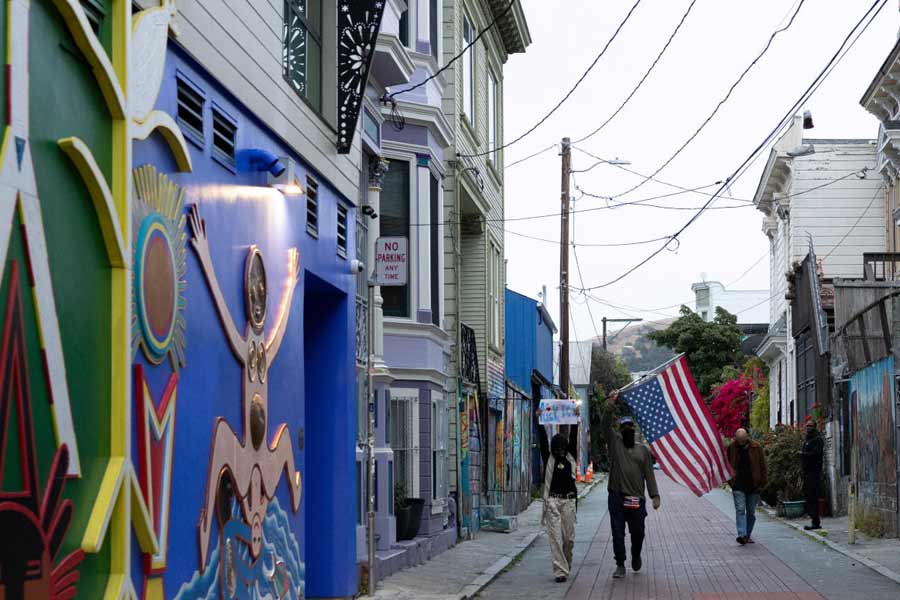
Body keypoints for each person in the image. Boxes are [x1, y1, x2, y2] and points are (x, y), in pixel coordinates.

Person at [606, 391, 660, 580]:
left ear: (634, 429)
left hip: (636, 499)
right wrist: (611, 403)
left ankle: (636, 555)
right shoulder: (615, 444)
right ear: (620, 430)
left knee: (638, 533)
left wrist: (655, 495)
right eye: (623, 427)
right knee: (617, 533)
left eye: (629, 426)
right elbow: (606, 423)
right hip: (616, 497)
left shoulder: (643, 451)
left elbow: (649, 474)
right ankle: (620, 564)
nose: (627, 429)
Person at [537, 416, 579, 583]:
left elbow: (574, 436)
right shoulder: (548, 458)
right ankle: (560, 571)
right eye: (556, 447)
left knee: (568, 539)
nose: (560, 449)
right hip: (553, 502)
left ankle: (566, 562)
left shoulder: (570, 456)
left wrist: (575, 416)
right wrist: (539, 417)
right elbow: (542, 438)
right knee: (555, 537)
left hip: (568, 502)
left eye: (562, 446)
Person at [727, 428, 767, 545]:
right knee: (740, 510)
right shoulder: (732, 448)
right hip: (738, 484)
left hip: (753, 485)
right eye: (739, 441)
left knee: (751, 512)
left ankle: (747, 534)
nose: (741, 443)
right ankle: (742, 534)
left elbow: (762, 465)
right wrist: (731, 482)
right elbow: (727, 464)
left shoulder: (756, 447)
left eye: (743, 441)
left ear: (747, 438)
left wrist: (762, 483)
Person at [800, 421, 824, 530]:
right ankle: (813, 519)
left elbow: (816, 454)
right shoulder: (807, 439)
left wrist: (803, 455)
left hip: (814, 472)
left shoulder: (817, 439)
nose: (808, 427)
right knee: (809, 496)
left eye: (810, 426)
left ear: (814, 427)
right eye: (807, 426)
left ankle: (816, 522)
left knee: (813, 497)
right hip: (807, 472)